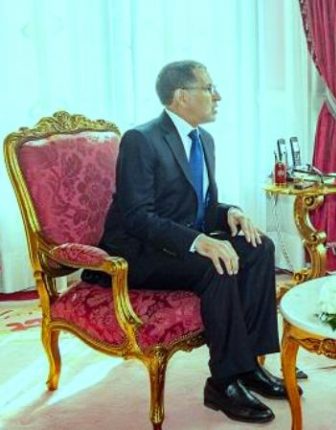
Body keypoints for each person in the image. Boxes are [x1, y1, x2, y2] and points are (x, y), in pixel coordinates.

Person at [83, 60, 295, 423]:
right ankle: (223, 382)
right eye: (209, 88)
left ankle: (250, 366)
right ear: (181, 96)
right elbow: (137, 216)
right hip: (138, 252)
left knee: (259, 248)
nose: (218, 96)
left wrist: (230, 213)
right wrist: (199, 241)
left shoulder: (204, 140)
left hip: (176, 243)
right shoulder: (141, 139)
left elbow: (201, 206)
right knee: (216, 265)